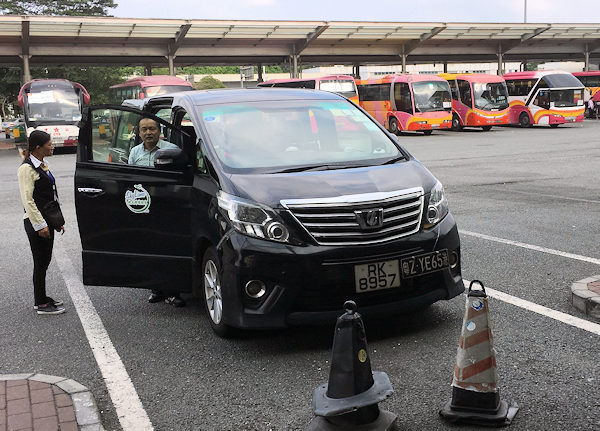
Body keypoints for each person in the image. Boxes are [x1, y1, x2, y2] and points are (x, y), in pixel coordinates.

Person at [128, 117, 186, 307]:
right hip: (144, 207)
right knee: (149, 249)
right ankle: (156, 289)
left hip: (167, 206)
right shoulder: (135, 152)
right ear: (139, 133)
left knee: (169, 248)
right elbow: (129, 178)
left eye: (152, 129)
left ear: (160, 131)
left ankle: (173, 292)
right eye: (144, 129)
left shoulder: (171, 149)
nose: (148, 133)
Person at [17, 130, 66, 315]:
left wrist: (56, 221)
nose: (52, 146)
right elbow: (27, 200)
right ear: (38, 147)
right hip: (35, 223)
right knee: (40, 261)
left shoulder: (43, 165)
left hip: (47, 220)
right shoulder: (26, 169)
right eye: (50, 143)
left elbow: (49, 197)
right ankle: (40, 303)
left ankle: (42, 297)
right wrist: (41, 225)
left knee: (45, 261)